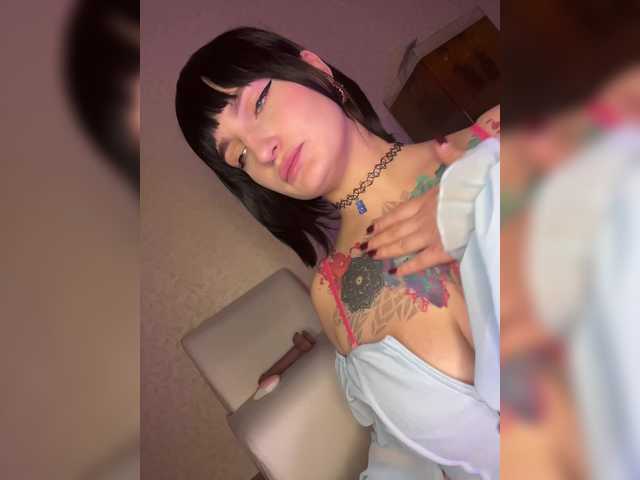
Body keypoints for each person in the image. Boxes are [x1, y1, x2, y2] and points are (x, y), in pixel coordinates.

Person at [175, 26, 499, 479]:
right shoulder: (332, 294)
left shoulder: (495, 139)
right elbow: (406, 454)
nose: (262, 151)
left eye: (258, 104)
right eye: (239, 156)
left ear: (315, 68)